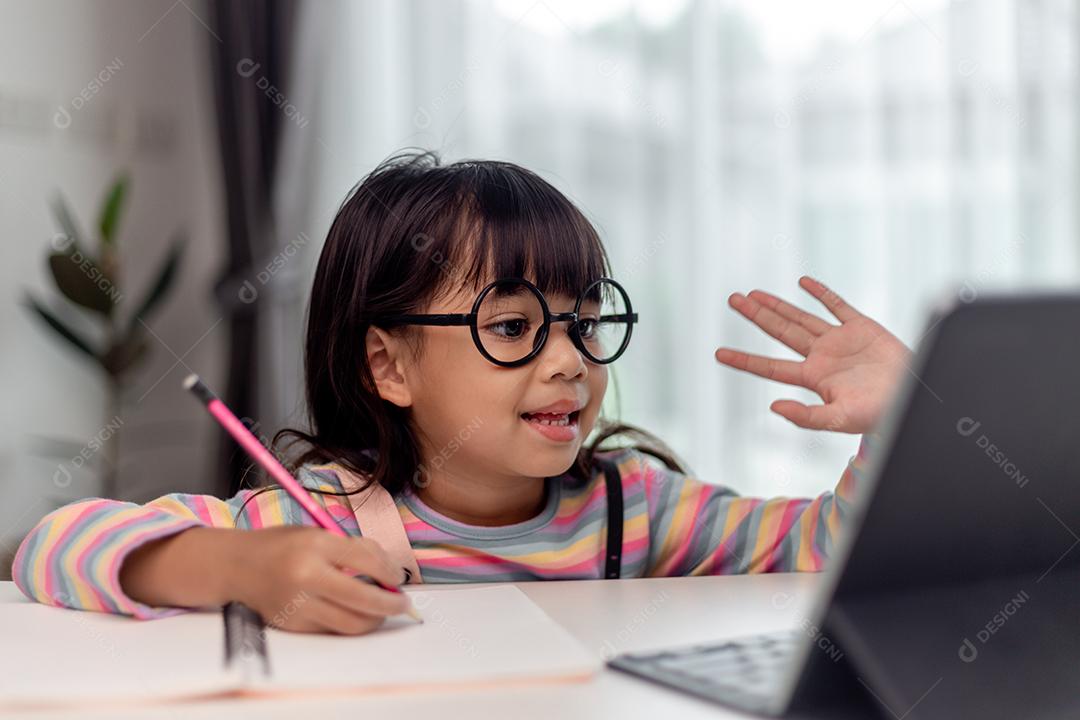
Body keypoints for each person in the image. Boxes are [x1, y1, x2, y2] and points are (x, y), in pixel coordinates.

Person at [11, 151, 910, 636]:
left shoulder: (632, 512)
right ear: (389, 367)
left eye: (584, 323)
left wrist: (896, 419)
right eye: (513, 327)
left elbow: (827, 549)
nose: (570, 361)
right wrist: (241, 569)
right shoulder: (324, 518)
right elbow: (50, 548)